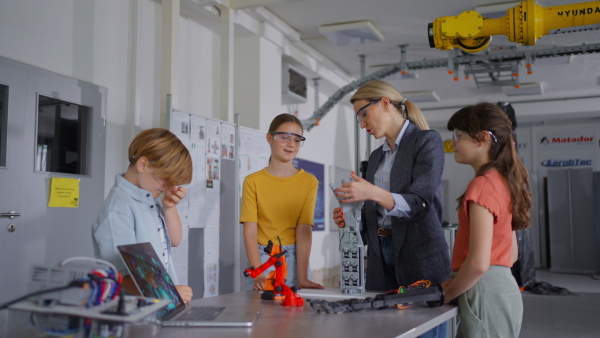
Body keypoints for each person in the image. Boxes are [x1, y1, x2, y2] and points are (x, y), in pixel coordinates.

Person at [332, 80, 450, 338]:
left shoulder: (426, 141)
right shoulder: (376, 157)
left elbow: (419, 203)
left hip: (419, 253)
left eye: (364, 114)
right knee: (383, 329)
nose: (362, 125)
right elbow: (376, 209)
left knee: (424, 329)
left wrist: (371, 192)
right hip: (380, 254)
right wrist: (352, 216)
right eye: (358, 119)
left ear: (385, 103)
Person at [442, 102, 531, 337]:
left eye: (459, 135)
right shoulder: (504, 182)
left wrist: (447, 295)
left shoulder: (481, 185)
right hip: (504, 291)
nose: (454, 143)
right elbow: (511, 255)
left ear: (482, 138)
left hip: (483, 291)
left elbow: (479, 263)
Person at [92, 128, 194, 302]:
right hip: (135, 311)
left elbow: (175, 241)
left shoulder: (148, 199)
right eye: (164, 179)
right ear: (143, 164)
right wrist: (167, 291)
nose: (168, 186)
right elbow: (120, 277)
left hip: (161, 305)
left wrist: (169, 207)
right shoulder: (118, 210)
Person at [241, 113, 324, 291]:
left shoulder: (309, 181)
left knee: (298, 315)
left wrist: (302, 277)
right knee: (261, 316)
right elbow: (250, 232)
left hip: (296, 260)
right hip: (262, 260)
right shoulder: (252, 181)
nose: (291, 144)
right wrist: (258, 274)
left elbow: (304, 229)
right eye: (285, 137)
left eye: (297, 139)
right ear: (269, 138)